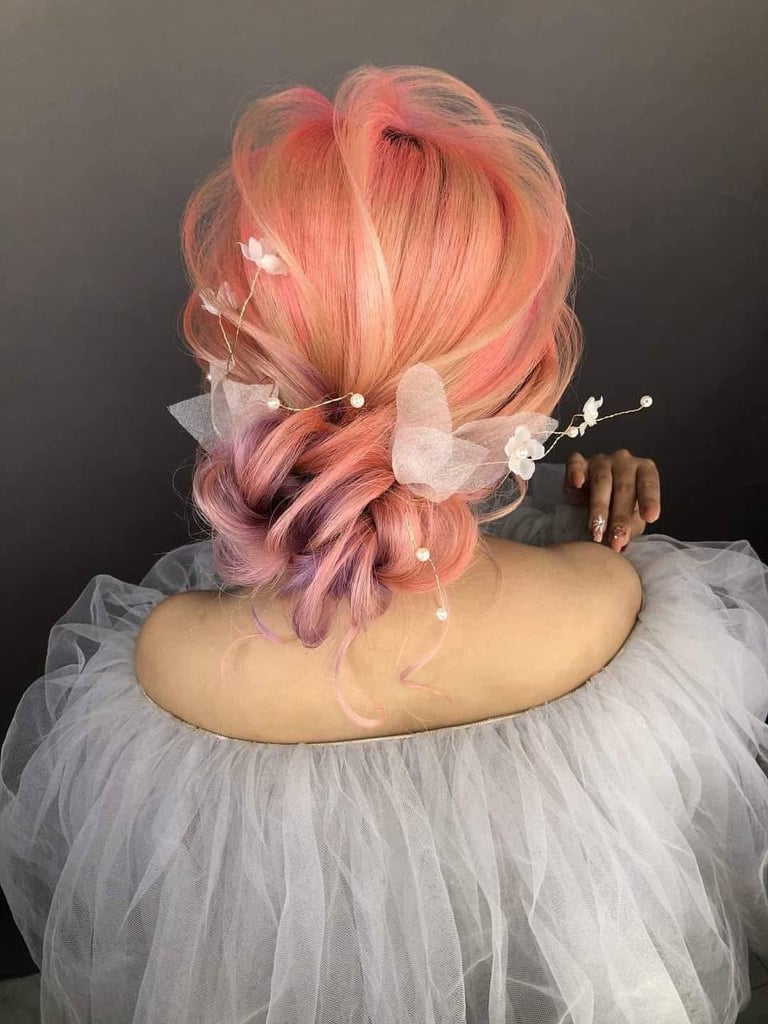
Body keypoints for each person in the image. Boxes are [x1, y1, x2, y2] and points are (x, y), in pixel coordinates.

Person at [1, 64, 767, 1024]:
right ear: (523, 378)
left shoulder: (163, 671)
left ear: (237, 356)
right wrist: (582, 532)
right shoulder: (627, 612)